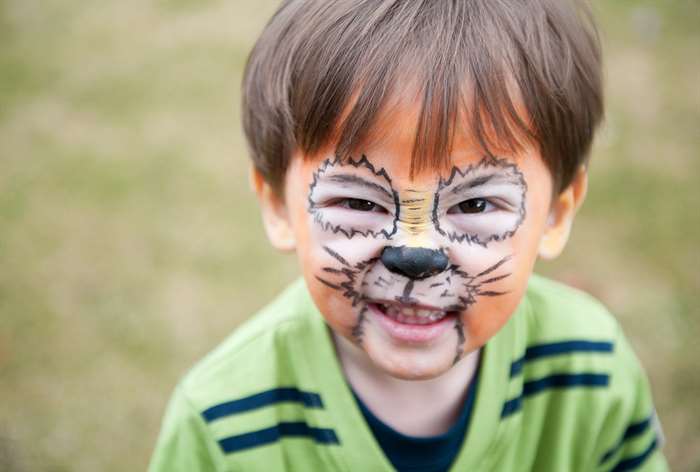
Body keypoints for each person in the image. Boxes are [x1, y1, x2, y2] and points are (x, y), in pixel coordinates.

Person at [149, 1, 668, 470]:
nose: (415, 255)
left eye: (477, 204)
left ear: (556, 214)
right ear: (277, 206)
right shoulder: (220, 424)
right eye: (356, 201)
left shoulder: (591, 372)